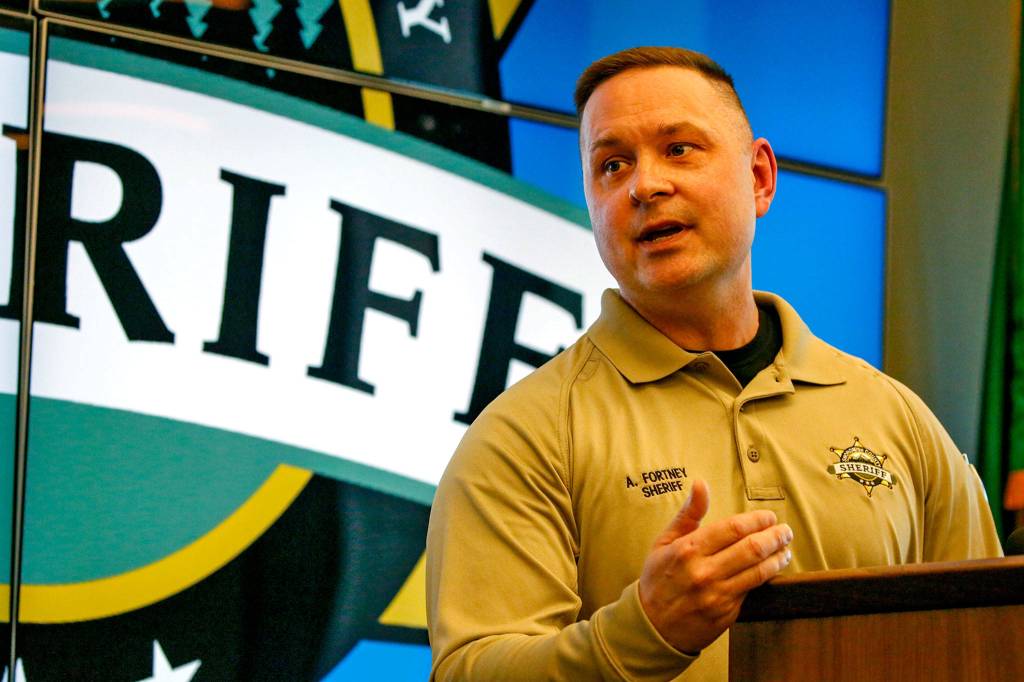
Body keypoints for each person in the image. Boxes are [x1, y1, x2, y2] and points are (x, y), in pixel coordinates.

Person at [425, 46, 1003, 681]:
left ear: (759, 178)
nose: (645, 185)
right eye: (612, 165)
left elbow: (995, 641)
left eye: (679, 149)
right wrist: (644, 632)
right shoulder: (522, 437)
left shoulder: (899, 419)